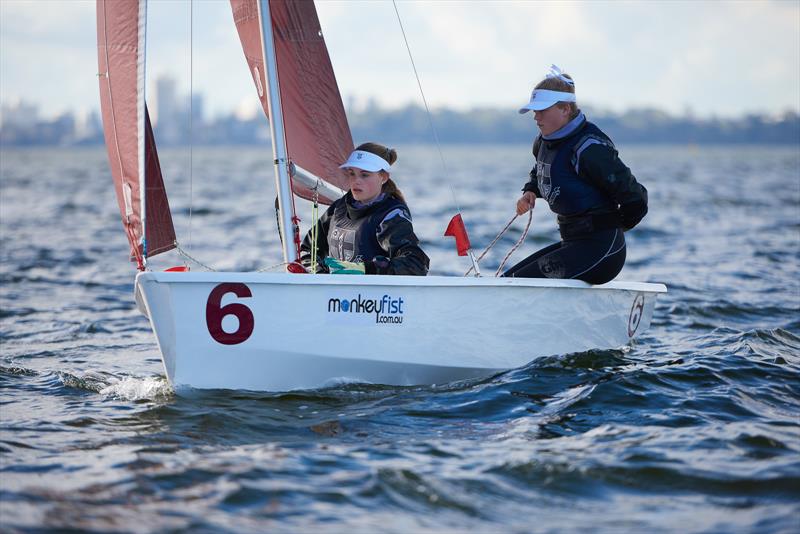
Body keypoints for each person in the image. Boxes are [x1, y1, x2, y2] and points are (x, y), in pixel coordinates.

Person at [503, 65, 648, 284]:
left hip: (602, 251)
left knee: (512, 287)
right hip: (573, 243)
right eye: (534, 110)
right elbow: (541, 169)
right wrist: (531, 191)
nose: (536, 116)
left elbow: (635, 198)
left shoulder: (589, 148)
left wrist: (615, 226)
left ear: (565, 109)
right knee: (508, 280)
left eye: (542, 110)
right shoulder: (544, 141)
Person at [299, 142, 429, 275]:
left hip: (373, 294)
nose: (356, 181)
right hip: (333, 291)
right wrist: (318, 273)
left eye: (364, 175)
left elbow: (416, 264)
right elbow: (308, 250)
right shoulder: (338, 208)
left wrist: (365, 269)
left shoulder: (391, 215)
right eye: (351, 174)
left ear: (383, 177)